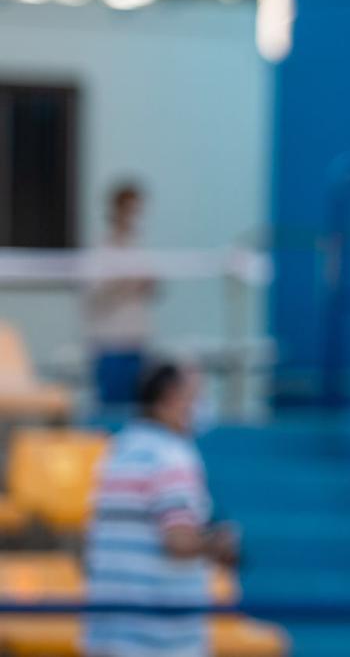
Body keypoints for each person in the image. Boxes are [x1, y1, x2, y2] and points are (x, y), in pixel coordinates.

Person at [84, 361, 239, 657]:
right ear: (171, 397)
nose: (200, 407)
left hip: (108, 630)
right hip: (158, 638)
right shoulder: (172, 456)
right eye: (195, 396)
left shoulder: (116, 451)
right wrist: (217, 544)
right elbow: (178, 541)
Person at [83, 181, 159, 413]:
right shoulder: (101, 250)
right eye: (129, 210)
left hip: (136, 342)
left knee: (137, 409)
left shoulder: (138, 249)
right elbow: (93, 294)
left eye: (138, 210)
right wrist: (123, 281)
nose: (133, 217)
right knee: (111, 410)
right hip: (111, 344)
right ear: (116, 210)